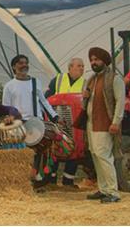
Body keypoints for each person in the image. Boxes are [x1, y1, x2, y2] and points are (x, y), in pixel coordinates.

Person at [1, 54, 59, 191]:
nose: (24, 65)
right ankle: (22, 182)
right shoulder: (9, 86)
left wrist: (54, 116)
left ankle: (35, 182)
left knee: (37, 153)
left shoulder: (35, 82)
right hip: (19, 125)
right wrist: (8, 119)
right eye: (20, 63)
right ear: (14, 67)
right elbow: (5, 107)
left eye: (26, 63)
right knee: (22, 154)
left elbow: (43, 101)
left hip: (36, 123)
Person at [83, 47, 125, 204]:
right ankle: (103, 189)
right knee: (95, 156)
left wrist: (115, 122)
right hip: (91, 124)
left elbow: (120, 101)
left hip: (105, 124)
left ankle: (113, 192)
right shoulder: (92, 79)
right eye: (92, 60)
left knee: (104, 156)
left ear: (104, 60)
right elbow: (87, 102)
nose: (94, 62)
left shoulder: (114, 78)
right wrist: (85, 96)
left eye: (97, 59)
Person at [44, 57, 85, 188]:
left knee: (75, 148)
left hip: (76, 123)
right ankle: (51, 180)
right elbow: (47, 98)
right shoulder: (58, 80)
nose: (81, 68)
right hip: (58, 120)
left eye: (83, 66)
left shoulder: (85, 83)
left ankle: (68, 181)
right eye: (78, 66)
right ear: (70, 68)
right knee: (56, 147)